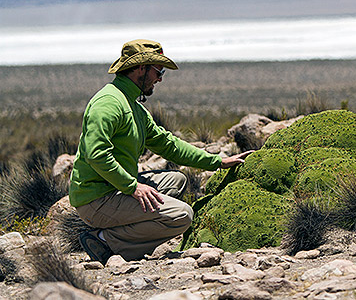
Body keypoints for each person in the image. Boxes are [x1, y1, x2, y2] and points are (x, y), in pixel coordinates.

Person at [69, 39, 252, 264]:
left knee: (176, 181)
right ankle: (106, 240)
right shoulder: (108, 104)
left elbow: (168, 145)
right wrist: (133, 187)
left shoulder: (133, 106)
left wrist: (217, 161)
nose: (160, 78)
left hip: (114, 187)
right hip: (96, 200)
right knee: (182, 216)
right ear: (140, 68)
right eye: (158, 70)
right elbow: (96, 154)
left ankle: (132, 229)